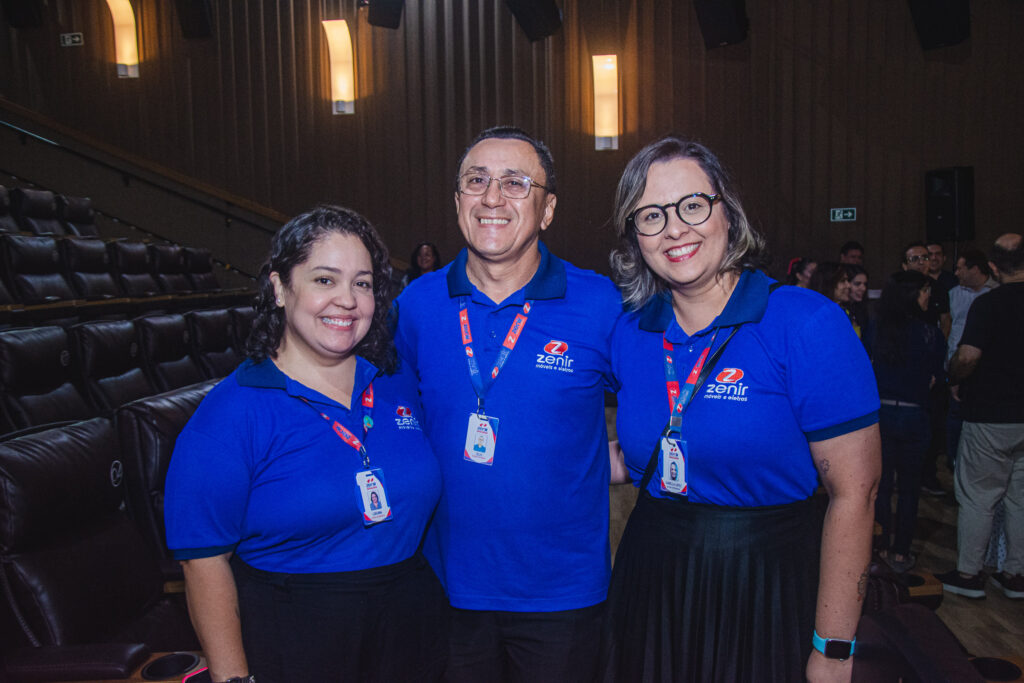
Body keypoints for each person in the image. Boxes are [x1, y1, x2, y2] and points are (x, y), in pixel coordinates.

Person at [604, 136, 880, 683]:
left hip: (766, 586)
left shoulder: (804, 322)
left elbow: (856, 494)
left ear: (727, 212)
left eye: (692, 205)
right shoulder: (631, 333)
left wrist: (833, 650)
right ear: (635, 236)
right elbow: (641, 456)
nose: (674, 229)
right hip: (651, 584)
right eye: (652, 215)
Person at [164, 206, 447, 682]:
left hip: (411, 628)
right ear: (279, 288)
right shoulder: (231, 413)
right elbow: (204, 562)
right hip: (296, 638)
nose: (347, 300)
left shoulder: (395, 385)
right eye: (324, 280)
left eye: (362, 283)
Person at [394, 126, 622, 682]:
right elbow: (396, 421)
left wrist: (618, 461)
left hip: (563, 594)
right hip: (445, 586)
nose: (492, 198)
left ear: (548, 210)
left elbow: (658, 409)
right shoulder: (415, 305)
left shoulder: (599, 304)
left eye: (516, 183)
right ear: (458, 202)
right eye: (476, 181)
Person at [939, 233, 1024, 600]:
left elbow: (968, 357)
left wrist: (953, 376)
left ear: (993, 267)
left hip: (991, 412)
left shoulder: (989, 305)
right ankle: (1015, 574)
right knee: (1020, 498)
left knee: (978, 496)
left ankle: (969, 574)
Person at [870, 271, 945, 573]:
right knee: (910, 489)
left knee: (882, 486)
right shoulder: (930, 334)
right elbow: (936, 377)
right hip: (915, 414)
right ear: (912, 295)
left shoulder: (876, 329)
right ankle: (901, 553)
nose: (929, 297)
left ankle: (880, 546)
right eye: (925, 291)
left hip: (882, 413)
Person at [945, 250, 998, 468]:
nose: (956, 273)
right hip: (956, 364)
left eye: (960, 268)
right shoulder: (953, 293)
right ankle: (954, 464)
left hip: (985, 369)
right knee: (954, 418)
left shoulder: (996, 294)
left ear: (975, 269)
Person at [845, 265, 870, 338]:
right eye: (857, 284)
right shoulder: (839, 310)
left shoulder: (861, 310)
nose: (863, 288)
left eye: (865, 284)